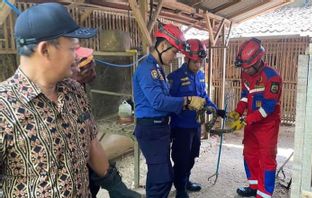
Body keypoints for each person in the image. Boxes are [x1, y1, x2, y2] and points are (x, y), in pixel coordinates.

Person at [0, 3, 136, 198]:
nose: (77, 57)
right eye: (73, 49)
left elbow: (91, 142)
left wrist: (114, 184)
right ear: (45, 50)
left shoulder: (74, 91)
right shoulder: (4, 107)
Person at [132, 23, 206, 198]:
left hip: (160, 128)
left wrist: (188, 104)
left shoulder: (157, 69)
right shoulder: (148, 69)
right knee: (162, 179)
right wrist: (186, 101)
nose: (174, 57)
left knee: (159, 175)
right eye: (173, 52)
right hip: (151, 129)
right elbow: (158, 101)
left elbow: (165, 99)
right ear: (163, 45)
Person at [72, 46, 141, 198]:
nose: (95, 74)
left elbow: (90, 139)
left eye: (94, 68)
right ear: (73, 70)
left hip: (87, 165)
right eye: (89, 70)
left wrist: (112, 180)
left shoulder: (82, 90)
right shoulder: (63, 96)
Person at [167, 39, 226, 198]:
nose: (198, 65)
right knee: (181, 158)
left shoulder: (200, 75)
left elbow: (204, 96)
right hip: (180, 127)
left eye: (201, 61)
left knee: (192, 155)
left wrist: (215, 109)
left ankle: (186, 181)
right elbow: (168, 102)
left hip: (195, 125)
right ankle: (180, 188)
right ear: (186, 58)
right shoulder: (175, 77)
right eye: (195, 62)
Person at [227, 38, 282, 198]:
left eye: (247, 67)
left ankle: (264, 194)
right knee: (249, 155)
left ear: (258, 61)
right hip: (251, 123)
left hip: (267, 125)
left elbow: (268, 107)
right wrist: (237, 111)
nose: (245, 70)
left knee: (266, 160)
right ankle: (254, 187)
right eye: (243, 67)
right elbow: (245, 96)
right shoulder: (245, 73)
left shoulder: (272, 77)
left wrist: (245, 120)